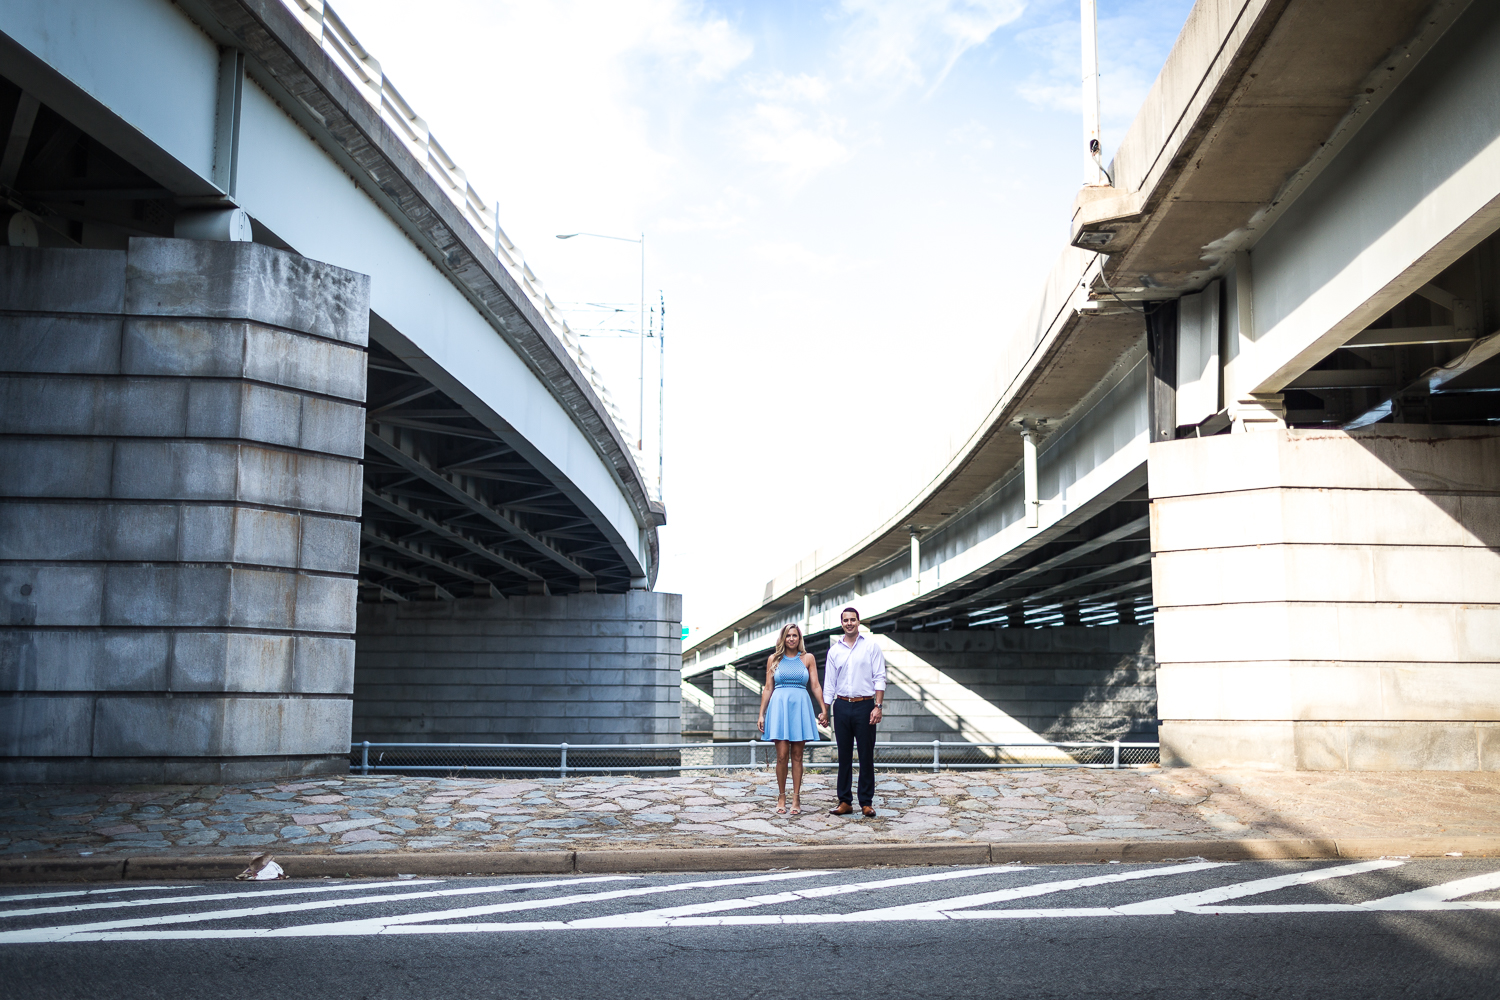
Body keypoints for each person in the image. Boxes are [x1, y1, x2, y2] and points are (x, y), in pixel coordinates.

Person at [823, 607, 886, 817]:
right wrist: (825, 710)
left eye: (853, 620)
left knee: (866, 755)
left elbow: (880, 676)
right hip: (841, 706)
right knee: (844, 756)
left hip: (865, 705)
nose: (849, 623)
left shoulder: (871, 647)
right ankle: (845, 801)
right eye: (845, 620)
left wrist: (878, 706)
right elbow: (829, 684)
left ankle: (866, 802)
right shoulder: (834, 651)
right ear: (841, 623)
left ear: (859, 622)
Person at [756, 623, 824, 815]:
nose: (792, 639)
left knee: (797, 756)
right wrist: (762, 713)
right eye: (788, 636)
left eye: (795, 635)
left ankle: (796, 797)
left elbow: (816, 685)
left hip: (800, 707)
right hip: (779, 708)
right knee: (781, 756)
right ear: (783, 638)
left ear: (799, 638)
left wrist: (824, 709)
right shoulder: (773, 659)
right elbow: (768, 688)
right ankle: (781, 796)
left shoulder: (808, 658)